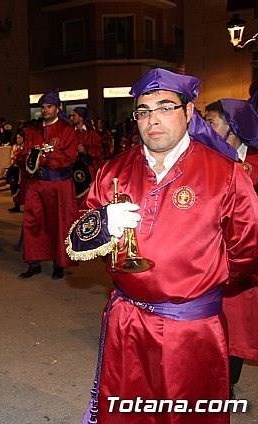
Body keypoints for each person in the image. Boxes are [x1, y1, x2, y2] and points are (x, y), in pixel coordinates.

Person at [66, 68, 258, 423]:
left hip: (192, 328)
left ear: (188, 113)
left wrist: (198, 290)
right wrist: (102, 226)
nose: (153, 119)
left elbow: (247, 251)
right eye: (143, 111)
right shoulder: (113, 170)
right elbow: (76, 238)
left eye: (165, 107)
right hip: (127, 320)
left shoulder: (227, 173)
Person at [204, 98, 258, 398]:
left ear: (234, 127)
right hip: (205, 258)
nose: (204, 128)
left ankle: (227, 384)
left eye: (211, 122)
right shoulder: (204, 159)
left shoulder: (257, 165)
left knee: (236, 323)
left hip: (242, 261)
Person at [19, 89, 78, 280]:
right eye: (43, 107)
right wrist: (28, 158)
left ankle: (59, 263)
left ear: (57, 108)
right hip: (37, 184)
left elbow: (69, 157)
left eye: (49, 107)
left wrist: (45, 156)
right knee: (33, 222)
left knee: (59, 224)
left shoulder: (66, 130)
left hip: (59, 184)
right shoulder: (33, 131)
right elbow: (23, 155)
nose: (45, 110)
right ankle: (34, 262)